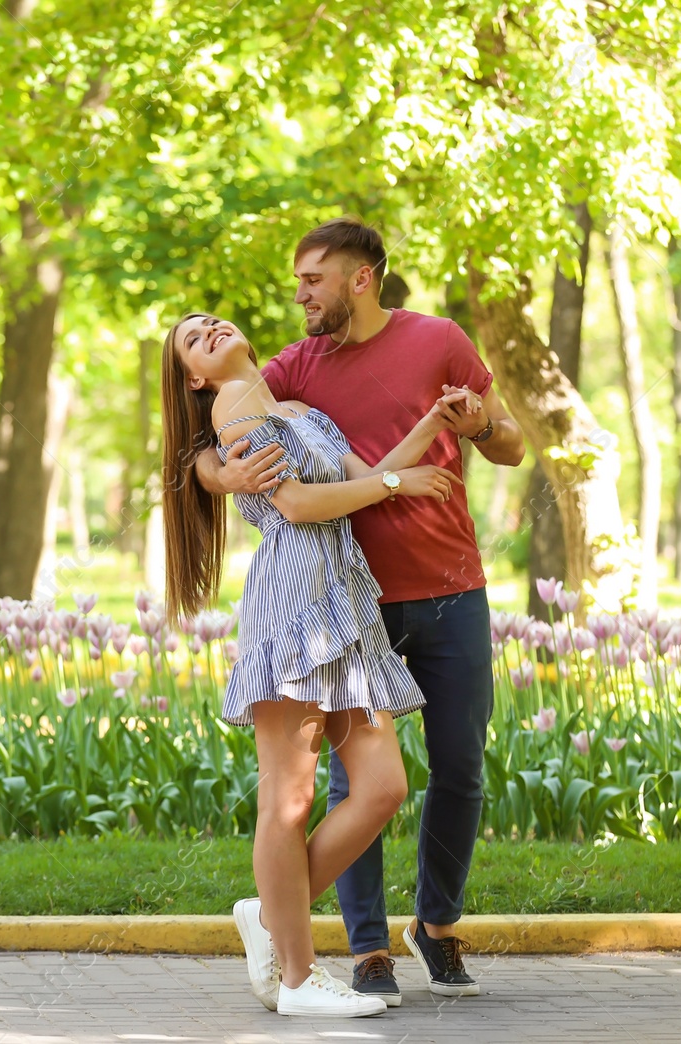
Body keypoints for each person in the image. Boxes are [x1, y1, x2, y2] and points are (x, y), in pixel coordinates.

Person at [195, 217, 525, 1004]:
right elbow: (213, 437)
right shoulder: (296, 365)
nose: (300, 295)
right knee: (349, 788)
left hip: (448, 587)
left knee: (457, 770)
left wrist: (471, 422)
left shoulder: (439, 339)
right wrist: (224, 480)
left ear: (360, 278)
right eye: (298, 281)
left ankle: (430, 927)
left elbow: (509, 441)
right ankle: (365, 949)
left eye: (313, 280)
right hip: (344, 604)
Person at [161, 310, 465, 1017]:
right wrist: (396, 489)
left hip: (345, 600)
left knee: (383, 785)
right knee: (289, 799)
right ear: (195, 378)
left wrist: (433, 425)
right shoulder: (233, 407)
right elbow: (297, 504)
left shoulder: (295, 409)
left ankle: (269, 914)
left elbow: (373, 475)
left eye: (210, 320)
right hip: (295, 600)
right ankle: (297, 979)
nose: (208, 329)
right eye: (191, 340)